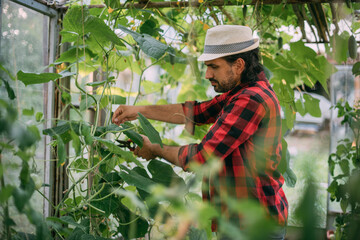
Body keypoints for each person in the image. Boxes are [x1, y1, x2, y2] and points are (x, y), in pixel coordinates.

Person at [112, 25, 288, 239]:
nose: (207, 74)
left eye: (214, 66)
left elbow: (201, 157)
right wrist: (138, 111)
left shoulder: (250, 100)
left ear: (239, 65)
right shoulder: (243, 92)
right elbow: (194, 112)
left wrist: (155, 149)